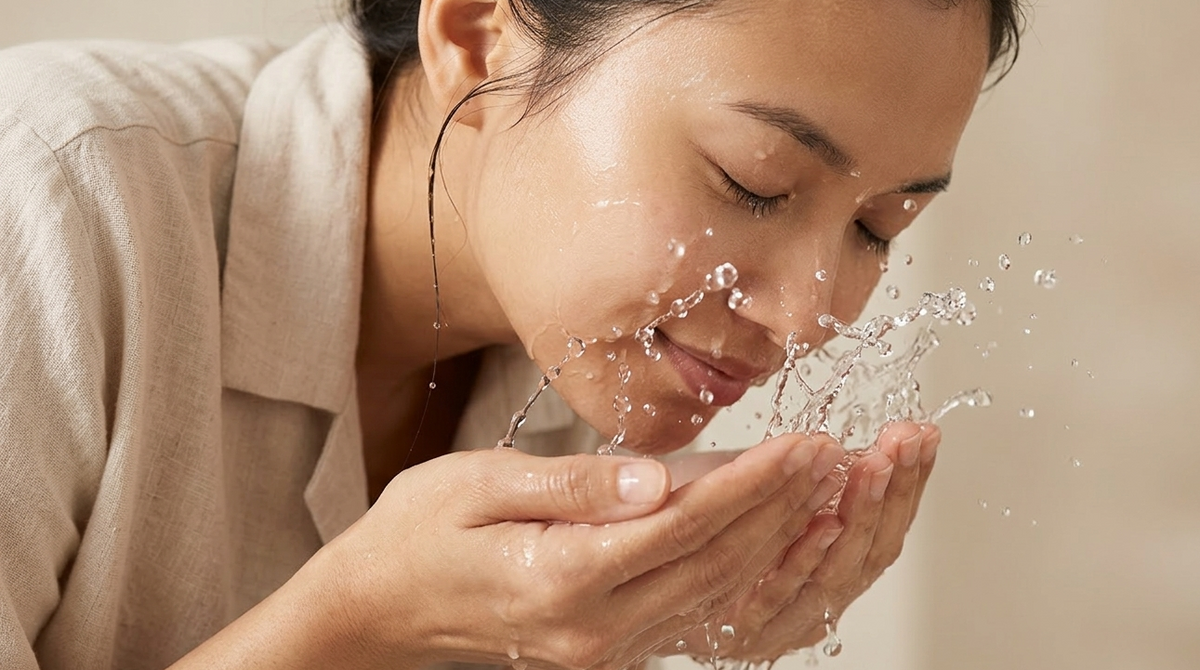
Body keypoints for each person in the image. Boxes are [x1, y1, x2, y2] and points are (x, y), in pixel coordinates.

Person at [0, 0, 1022, 668]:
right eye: (753, 181)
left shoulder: (599, 374)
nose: (806, 315)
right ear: (476, 35)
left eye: (877, 226)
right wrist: (357, 623)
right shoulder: (52, 190)